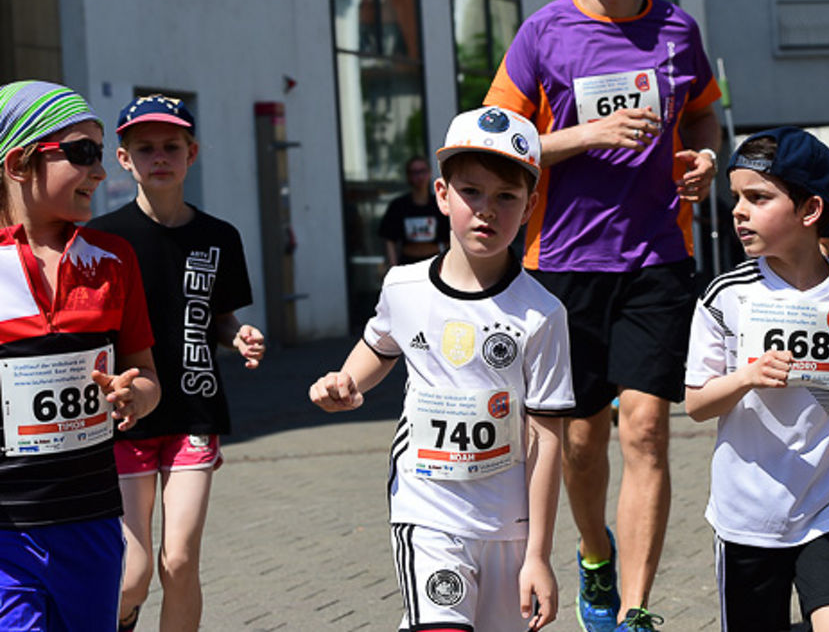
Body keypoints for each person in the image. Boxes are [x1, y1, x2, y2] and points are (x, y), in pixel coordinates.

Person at [484, 0, 722, 631]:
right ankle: (593, 554)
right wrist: (590, 135)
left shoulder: (676, 28)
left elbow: (705, 110)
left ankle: (636, 607)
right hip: (563, 262)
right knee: (582, 442)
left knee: (647, 428)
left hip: (657, 256)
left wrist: (706, 155)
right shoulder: (543, 32)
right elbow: (498, 140)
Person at [308, 106, 573, 632]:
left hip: (507, 522)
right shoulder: (403, 286)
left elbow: (546, 440)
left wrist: (539, 553)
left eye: (505, 197)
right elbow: (379, 347)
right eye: (471, 192)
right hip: (426, 509)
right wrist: (345, 381)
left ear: (529, 207)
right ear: (442, 194)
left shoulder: (543, 314)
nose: (486, 211)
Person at [685, 127, 829, 632]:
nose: (738, 210)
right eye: (736, 197)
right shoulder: (725, 295)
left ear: (810, 211)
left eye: (758, 198)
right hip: (749, 514)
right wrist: (746, 378)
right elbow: (696, 403)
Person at [88, 95, 266, 632]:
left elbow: (218, 317)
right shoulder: (102, 242)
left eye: (171, 147)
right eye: (145, 148)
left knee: (180, 560)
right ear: (124, 159)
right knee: (131, 575)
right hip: (129, 420)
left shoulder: (220, 237)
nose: (159, 157)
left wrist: (239, 335)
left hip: (195, 411)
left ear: (192, 154)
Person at [0, 80, 161, 631]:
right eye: (83, 153)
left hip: (89, 518)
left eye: (100, 154)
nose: (99, 172)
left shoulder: (115, 258)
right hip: (5, 527)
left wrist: (135, 394)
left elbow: (148, 378)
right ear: (20, 162)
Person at [379, 154, 451, 268]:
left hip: (436, 263)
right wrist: (393, 266)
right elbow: (389, 238)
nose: (420, 177)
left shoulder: (440, 203)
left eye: (423, 171)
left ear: (430, 173)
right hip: (407, 263)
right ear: (408, 176)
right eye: (415, 172)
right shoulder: (398, 206)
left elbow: (452, 236)